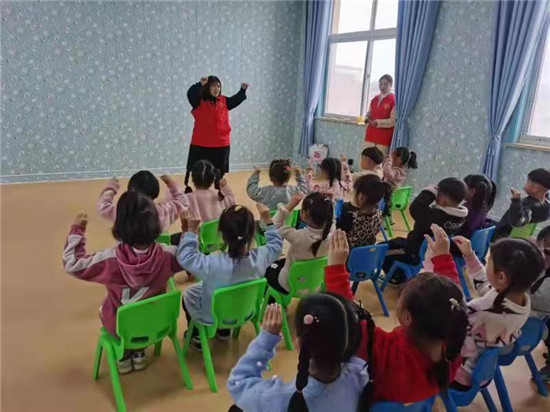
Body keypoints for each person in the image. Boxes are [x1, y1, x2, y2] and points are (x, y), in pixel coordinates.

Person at [324, 227, 469, 404]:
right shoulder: (454, 345)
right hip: (414, 399)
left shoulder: (387, 353)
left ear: (407, 317)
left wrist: (336, 268)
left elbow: (348, 319)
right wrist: (443, 259)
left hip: (370, 400)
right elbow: (452, 304)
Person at [63, 191, 184, 374]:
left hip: (120, 327)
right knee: (143, 310)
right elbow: (193, 258)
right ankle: (139, 352)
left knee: (108, 310)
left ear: (119, 227)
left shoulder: (110, 260)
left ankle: (124, 356)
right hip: (157, 323)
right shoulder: (169, 255)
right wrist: (190, 233)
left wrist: (77, 230)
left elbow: (72, 264)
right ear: (155, 223)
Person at [227, 297, 368, 412]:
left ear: (299, 344)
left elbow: (237, 382)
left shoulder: (275, 399)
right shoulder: (361, 374)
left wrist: (266, 340)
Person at [178, 203, 282, 351]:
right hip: (246, 311)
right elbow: (276, 246)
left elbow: (186, 257)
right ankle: (224, 331)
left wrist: (191, 232)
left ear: (221, 234)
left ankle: (198, 337)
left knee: (188, 294)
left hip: (213, 317)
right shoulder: (260, 257)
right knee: (196, 290)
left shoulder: (212, 263)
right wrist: (267, 219)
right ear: (251, 233)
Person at [451, 235, 545, 389]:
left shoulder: (483, 311)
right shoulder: (520, 302)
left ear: (501, 277)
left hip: (459, 375)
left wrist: (442, 263)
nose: (486, 264)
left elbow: (449, 320)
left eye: (488, 262)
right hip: (481, 373)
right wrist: (469, 256)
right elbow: (486, 286)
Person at [383, 178, 468, 285]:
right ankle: (400, 275)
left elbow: (416, 207)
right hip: (426, 250)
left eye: (438, 195)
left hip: (413, 251)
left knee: (382, 249)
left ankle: (395, 278)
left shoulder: (436, 216)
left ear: (444, 200)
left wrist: (429, 191)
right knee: (396, 242)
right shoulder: (460, 218)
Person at [185, 76, 249, 187]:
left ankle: (218, 188)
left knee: (219, 171)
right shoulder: (198, 101)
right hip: (201, 143)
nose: (217, 89)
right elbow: (190, 94)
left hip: (221, 143)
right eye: (213, 86)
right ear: (207, 87)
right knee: (199, 170)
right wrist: (199, 84)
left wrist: (242, 90)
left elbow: (236, 100)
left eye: (218, 86)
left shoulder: (224, 101)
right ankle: (198, 188)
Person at [265, 193, 333, 295]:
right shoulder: (332, 238)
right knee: (282, 262)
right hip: (314, 286)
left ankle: (272, 300)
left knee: (267, 267)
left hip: (289, 285)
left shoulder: (298, 236)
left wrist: (289, 206)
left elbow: (272, 226)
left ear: (304, 214)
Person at [171, 160, 236, 245]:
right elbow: (232, 204)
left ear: (193, 179)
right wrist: (225, 187)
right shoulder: (220, 195)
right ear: (213, 179)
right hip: (219, 240)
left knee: (173, 238)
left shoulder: (188, 198)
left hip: (196, 242)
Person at [97, 171, 188, 231]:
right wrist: (171, 183)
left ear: (130, 191)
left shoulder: (123, 211)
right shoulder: (162, 210)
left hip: (124, 253)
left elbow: (103, 206)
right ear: (155, 193)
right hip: (154, 252)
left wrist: (112, 187)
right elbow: (182, 202)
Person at [493, 168, 550, 241]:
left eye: (527, 182)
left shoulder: (527, 205)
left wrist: (516, 201)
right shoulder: (547, 206)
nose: (524, 187)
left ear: (535, 188)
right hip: (522, 239)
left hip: (502, 238)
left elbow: (517, 222)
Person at [337, 174, 389, 249]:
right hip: (367, 253)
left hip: (348, 254)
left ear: (361, 196)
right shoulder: (380, 215)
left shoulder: (351, 217)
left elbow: (338, 234)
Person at [455, 174, 497, 239]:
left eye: (463, 188)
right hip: (474, 242)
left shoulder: (466, 210)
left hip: (461, 241)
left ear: (472, 192)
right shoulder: (483, 207)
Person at [364, 74, 396, 154]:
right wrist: (368, 117)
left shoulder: (393, 100)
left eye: (386, 84)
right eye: (381, 84)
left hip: (383, 137)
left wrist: (378, 122)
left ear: (391, 85)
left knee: (380, 160)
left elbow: (393, 121)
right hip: (370, 135)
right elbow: (369, 113)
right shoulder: (374, 99)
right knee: (366, 158)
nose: (382, 86)